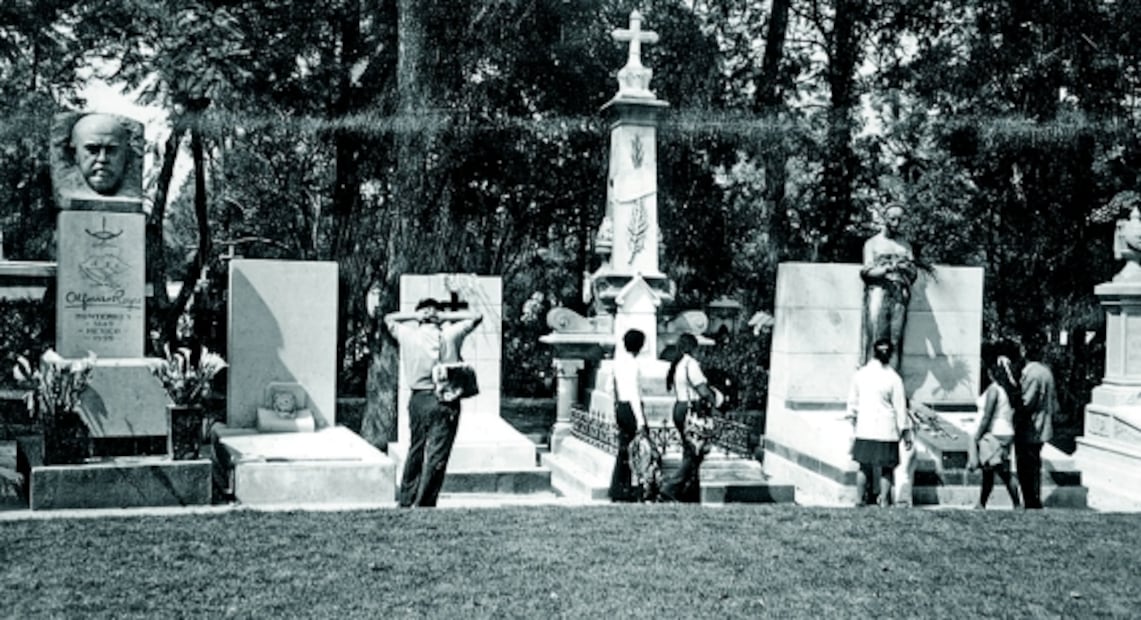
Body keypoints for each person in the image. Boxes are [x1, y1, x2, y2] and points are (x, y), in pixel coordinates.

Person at [384, 297, 483, 507]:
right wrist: (444, 316)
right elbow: (477, 316)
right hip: (445, 399)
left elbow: (388, 319)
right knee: (437, 453)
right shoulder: (451, 334)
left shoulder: (408, 334)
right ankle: (425, 503)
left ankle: (407, 498)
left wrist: (415, 316)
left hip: (419, 399)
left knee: (416, 448)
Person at [847, 338, 912, 507]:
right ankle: (884, 499)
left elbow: (852, 403)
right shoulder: (894, 378)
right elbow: (900, 408)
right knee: (887, 468)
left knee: (864, 466)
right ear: (890, 355)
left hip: (865, 429)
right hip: (886, 430)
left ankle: (859, 499)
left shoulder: (860, 375)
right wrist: (905, 432)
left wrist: (852, 424)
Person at [661, 333, 723, 503]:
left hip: (679, 407)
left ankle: (690, 490)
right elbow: (702, 390)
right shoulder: (691, 364)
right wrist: (715, 401)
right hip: (692, 409)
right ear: (693, 347)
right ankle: (671, 487)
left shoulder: (678, 364)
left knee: (690, 450)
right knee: (695, 452)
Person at [860, 204, 918, 371]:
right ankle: (871, 376)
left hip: (899, 294)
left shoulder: (905, 245)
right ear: (884, 219)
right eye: (893, 219)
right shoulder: (872, 243)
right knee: (875, 334)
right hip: (878, 291)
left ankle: (893, 375)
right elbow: (866, 272)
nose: (896, 223)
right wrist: (889, 268)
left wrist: (907, 269)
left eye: (900, 220)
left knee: (896, 337)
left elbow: (913, 273)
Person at [970, 356, 1022, 509]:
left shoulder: (994, 390)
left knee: (999, 471)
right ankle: (982, 503)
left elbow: (987, 416)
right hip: (1004, 431)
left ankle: (1016, 504)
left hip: (995, 433)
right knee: (991, 470)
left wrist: (978, 435)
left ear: (991, 373)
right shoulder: (1005, 389)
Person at [1017, 338, 1057, 509]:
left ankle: (1031, 501)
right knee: (1033, 464)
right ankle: (1033, 499)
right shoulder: (1046, 372)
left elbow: (1027, 402)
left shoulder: (1032, 373)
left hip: (1031, 426)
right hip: (1042, 425)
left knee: (1027, 466)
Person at [609, 329, 648, 502]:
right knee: (636, 450)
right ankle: (633, 487)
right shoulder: (633, 364)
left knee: (624, 448)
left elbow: (610, 387)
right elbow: (634, 395)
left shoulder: (617, 363)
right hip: (631, 408)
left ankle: (620, 487)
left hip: (621, 405)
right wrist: (641, 421)